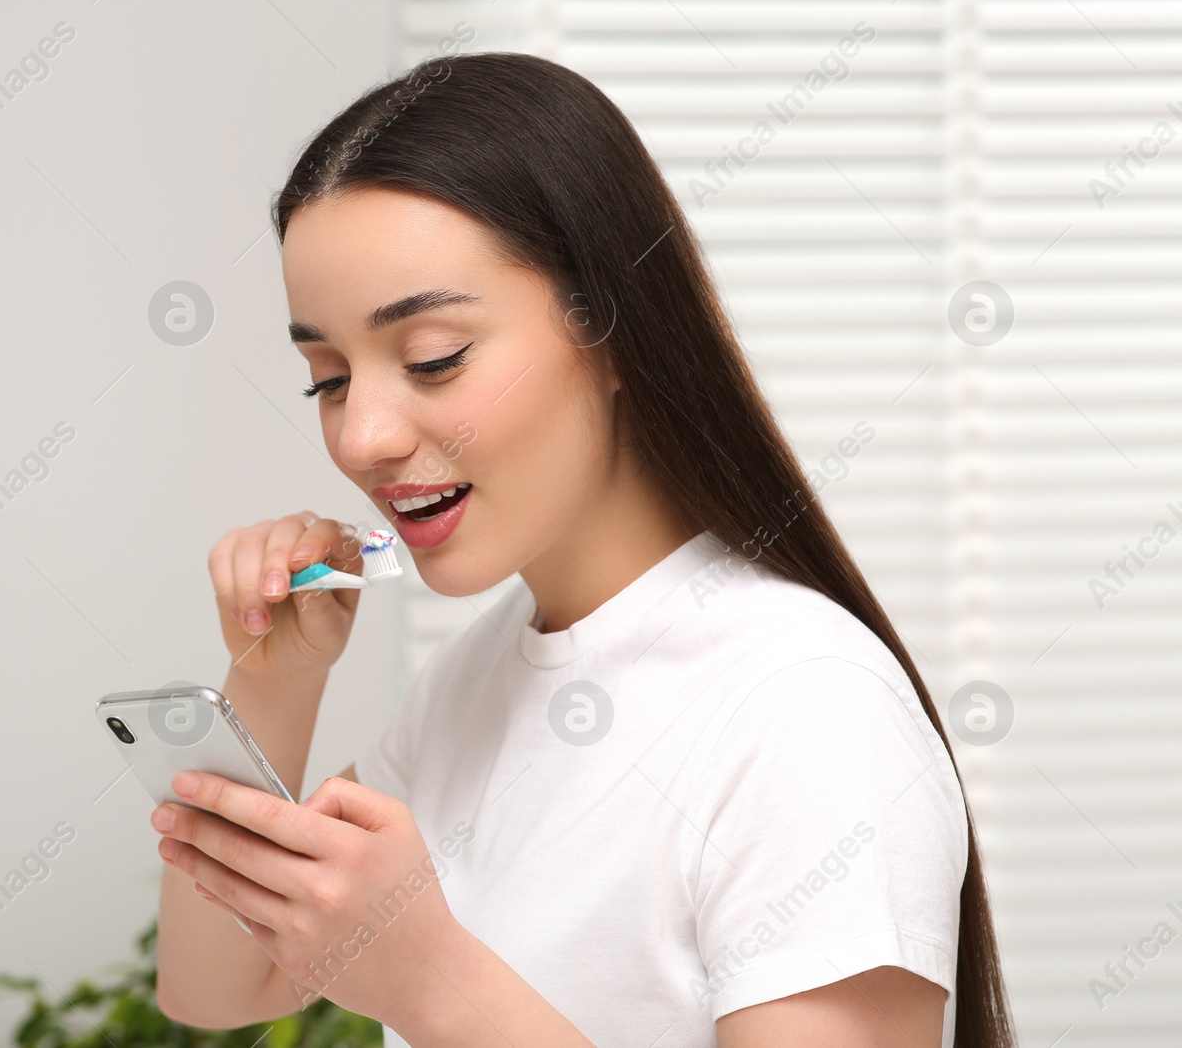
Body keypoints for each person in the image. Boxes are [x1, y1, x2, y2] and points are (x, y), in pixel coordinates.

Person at [147, 51, 1016, 1048]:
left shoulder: (807, 707)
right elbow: (219, 985)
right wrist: (274, 677)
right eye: (328, 378)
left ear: (609, 330)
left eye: (433, 358)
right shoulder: (469, 685)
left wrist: (436, 985)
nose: (361, 437)